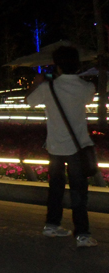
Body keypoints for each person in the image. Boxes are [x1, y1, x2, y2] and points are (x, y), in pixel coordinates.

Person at [26, 45, 98, 248]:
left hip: (55, 147)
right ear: (77, 64)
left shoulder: (48, 88)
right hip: (78, 147)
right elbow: (89, 98)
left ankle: (52, 224)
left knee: (56, 188)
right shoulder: (86, 87)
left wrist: (36, 83)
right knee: (78, 191)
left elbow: (29, 101)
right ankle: (82, 234)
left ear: (57, 66)